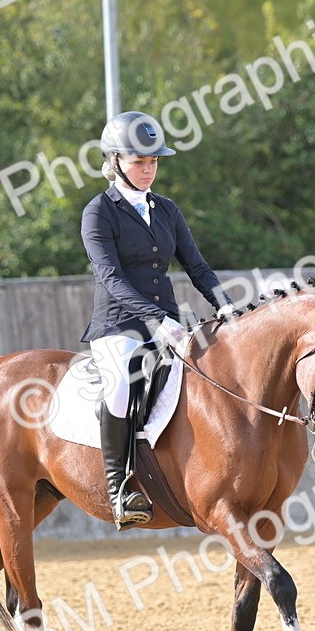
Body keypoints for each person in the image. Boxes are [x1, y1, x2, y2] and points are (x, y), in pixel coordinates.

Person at [80, 111, 235, 529]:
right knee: (121, 386)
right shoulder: (98, 213)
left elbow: (197, 267)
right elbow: (111, 278)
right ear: (114, 162)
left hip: (167, 320)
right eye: (138, 162)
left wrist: (225, 307)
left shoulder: (166, 209)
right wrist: (154, 319)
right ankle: (119, 489)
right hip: (118, 325)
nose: (148, 170)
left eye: (153, 163)